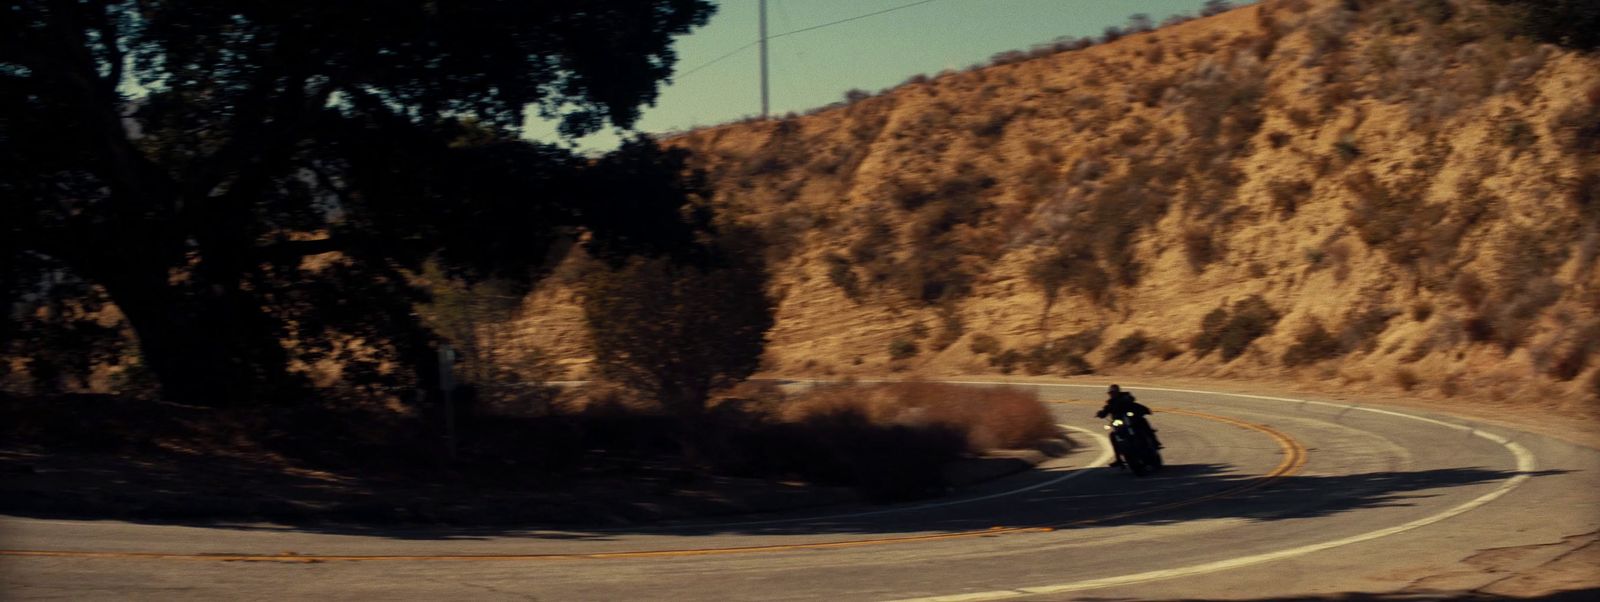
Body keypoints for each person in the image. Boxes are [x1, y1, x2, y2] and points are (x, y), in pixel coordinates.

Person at [1095, 384, 1162, 467]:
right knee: (1113, 435)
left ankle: (1154, 442)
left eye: (1114, 392)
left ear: (1118, 391)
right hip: (1120, 424)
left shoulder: (1125, 398)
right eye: (1111, 392)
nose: (1112, 394)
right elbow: (1105, 411)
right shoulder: (1110, 404)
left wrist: (1143, 410)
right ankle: (1118, 458)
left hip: (1133, 421)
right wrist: (1100, 414)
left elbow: (1134, 403)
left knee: (1143, 423)